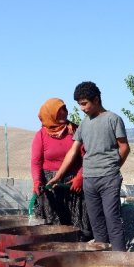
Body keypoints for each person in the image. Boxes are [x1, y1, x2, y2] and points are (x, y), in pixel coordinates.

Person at [47, 82, 130, 251]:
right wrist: (58, 176)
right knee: (96, 221)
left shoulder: (113, 119)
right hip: (89, 179)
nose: (82, 108)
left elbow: (124, 147)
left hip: (108, 179)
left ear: (96, 99)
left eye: (84, 104)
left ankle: (120, 259)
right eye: (79, 104)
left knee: (112, 219)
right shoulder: (84, 124)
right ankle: (102, 258)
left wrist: (113, 167)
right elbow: (73, 151)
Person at [31, 98, 92, 240]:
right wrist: (37, 181)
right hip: (50, 184)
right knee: (52, 227)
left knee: (77, 226)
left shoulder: (75, 131)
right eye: (60, 111)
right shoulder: (41, 135)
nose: (64, 113)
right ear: (50, 114)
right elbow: (36, 162)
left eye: (65, 109)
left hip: (73, 183)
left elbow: (87, 156)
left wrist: (80, 176)